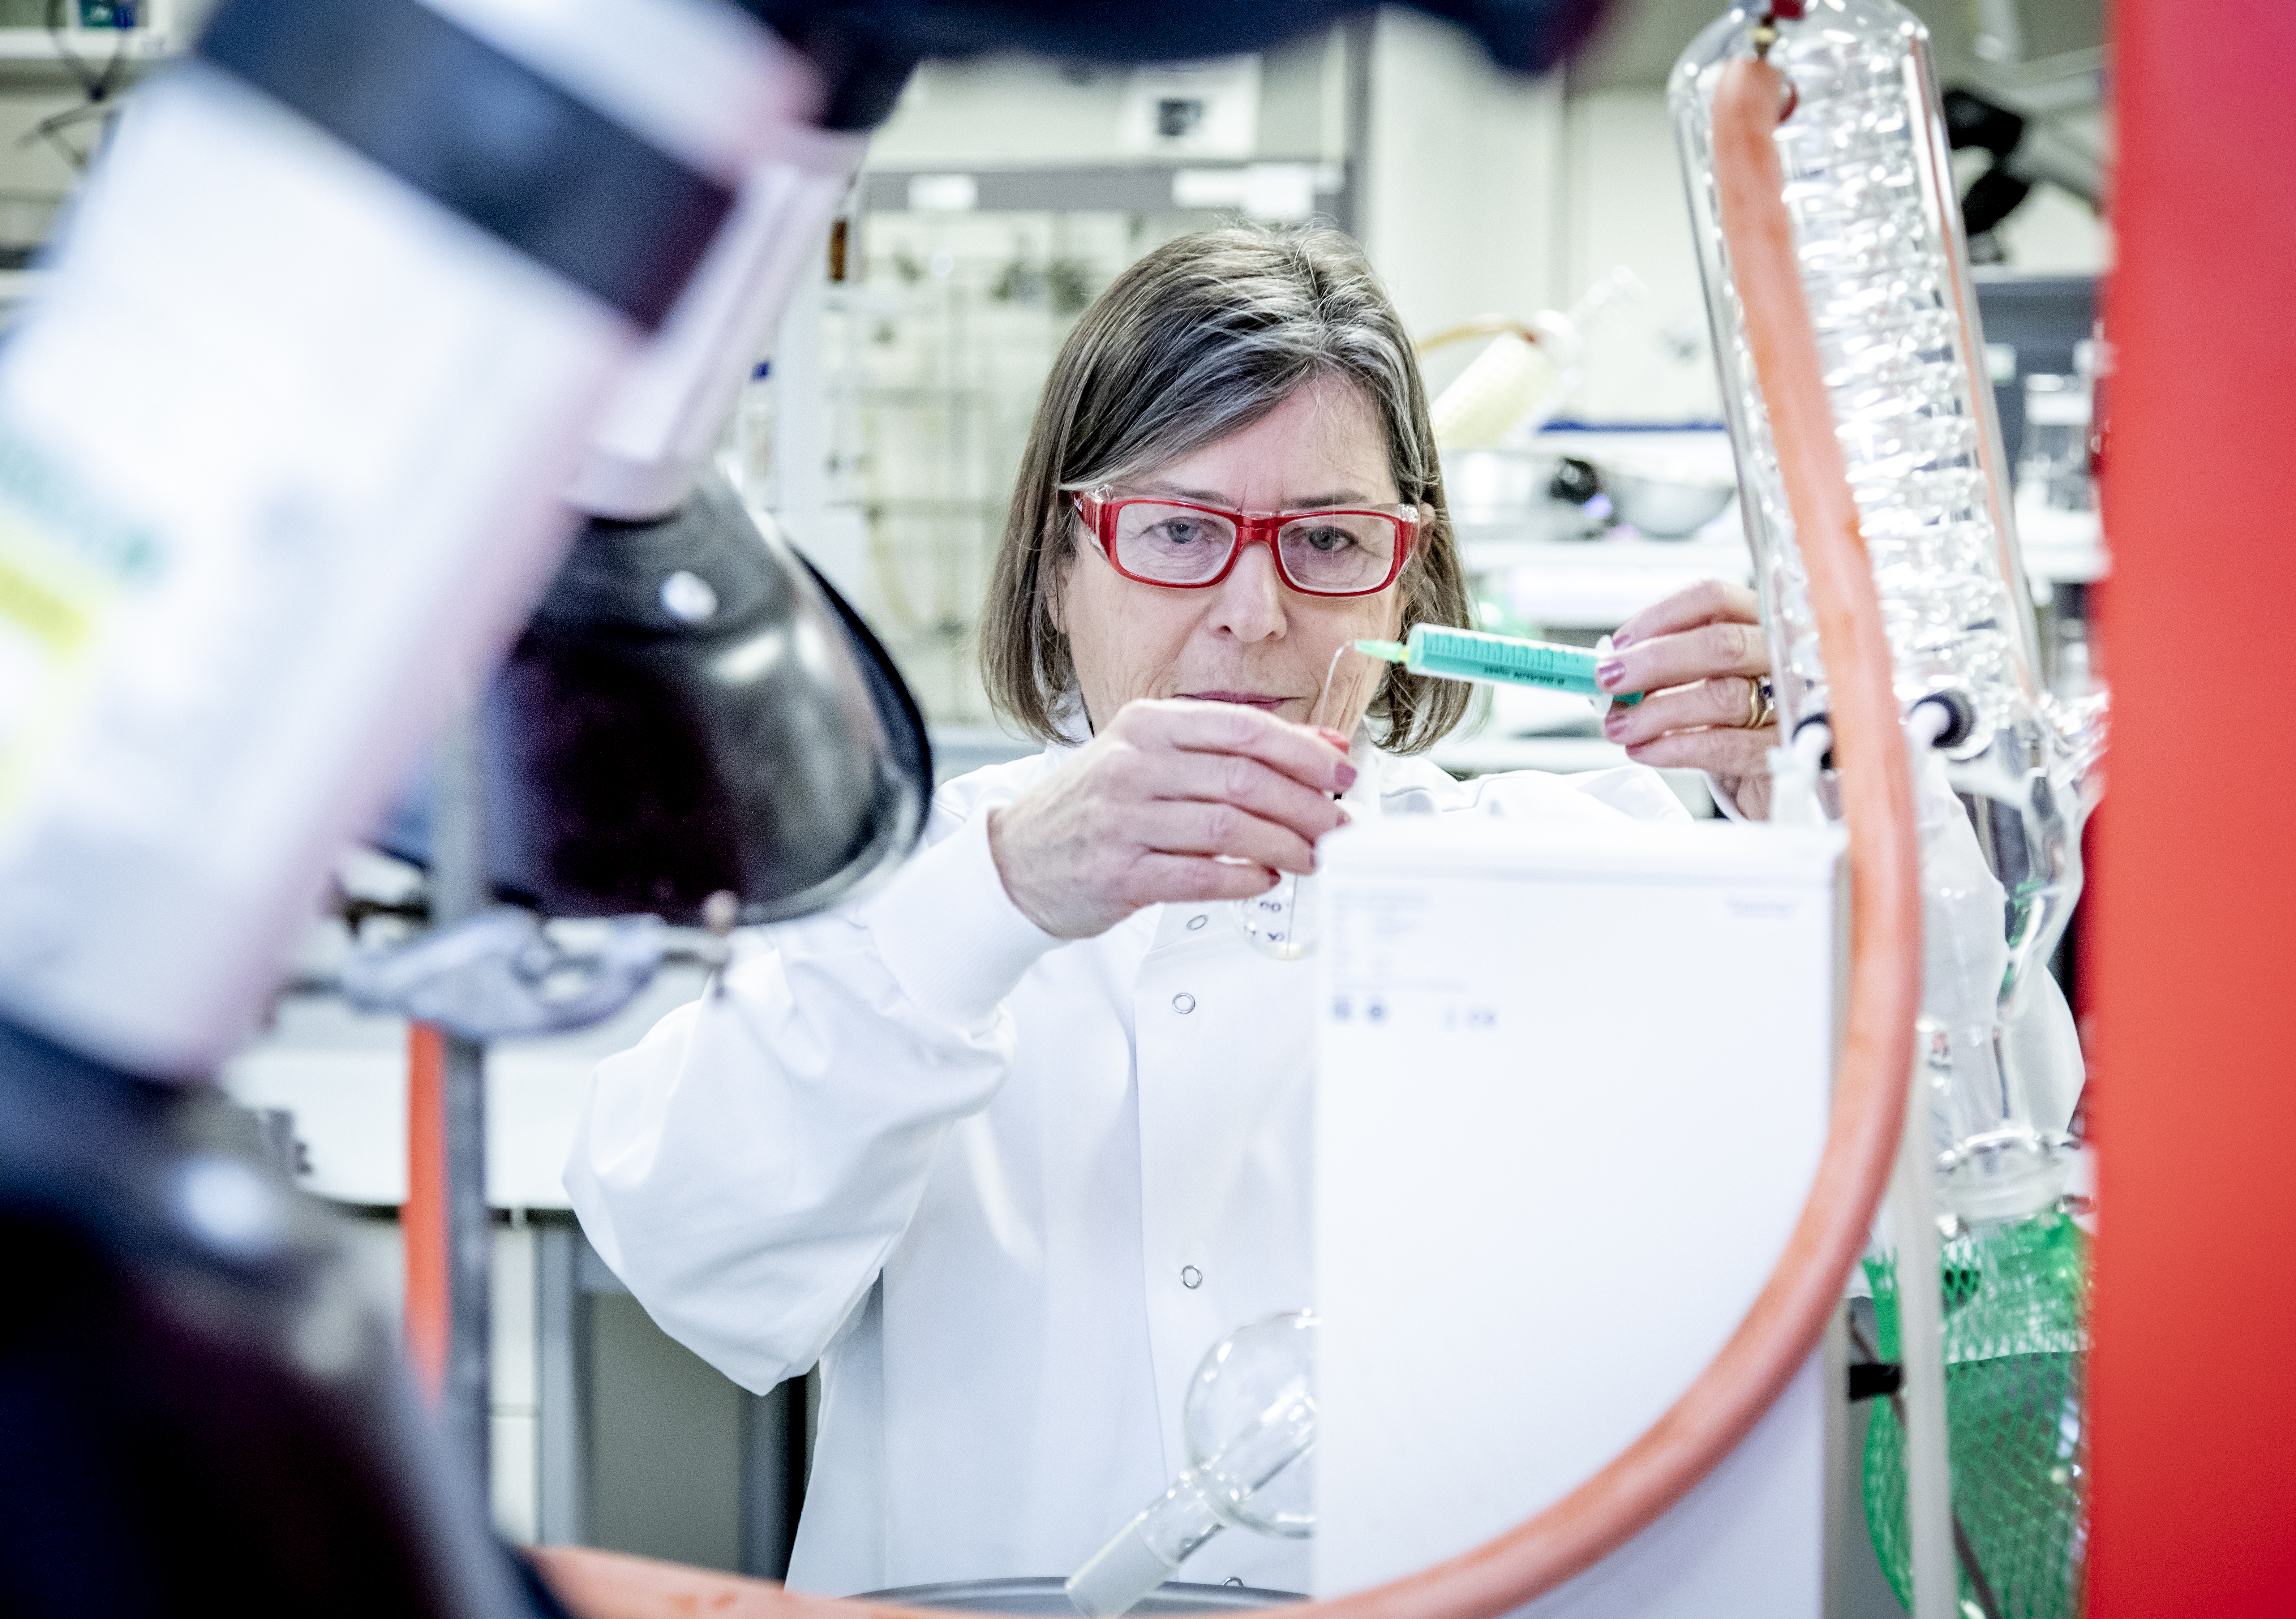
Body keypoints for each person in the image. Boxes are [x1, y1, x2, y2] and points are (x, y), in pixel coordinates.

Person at [563, 226, 2077, 1595]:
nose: (1254, 613)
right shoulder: (909, 883)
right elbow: (685, 1242)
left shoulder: (1569, 861)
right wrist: (1007, 897)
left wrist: (1813, 794)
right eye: (1175, 529)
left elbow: (1984, 1163)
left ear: (1410, 588)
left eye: (1330, 541)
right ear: (1053, 568)